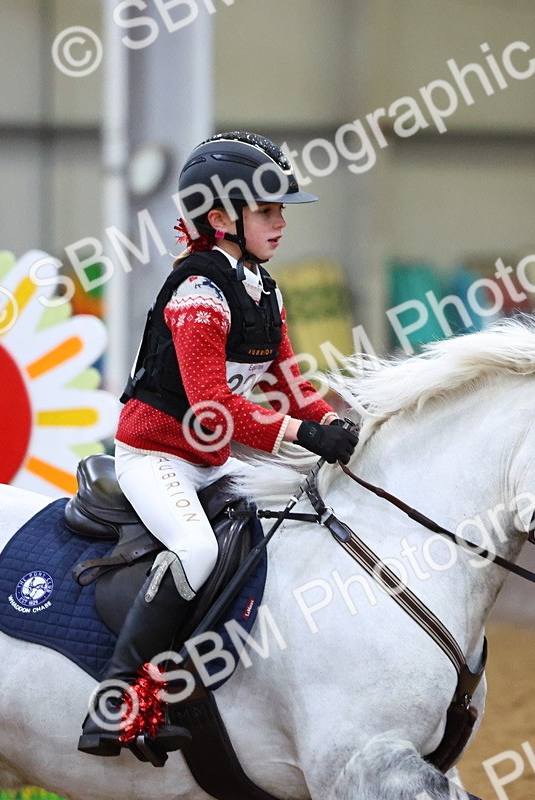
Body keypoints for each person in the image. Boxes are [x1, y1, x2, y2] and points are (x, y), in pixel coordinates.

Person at [78, 131, 358, 763]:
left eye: (281, 209)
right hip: (156, 456)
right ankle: (114, 700)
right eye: (268, 210)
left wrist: (338, 426)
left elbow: (290, 384)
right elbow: (214, 409)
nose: (281, 222)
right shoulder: (198, 294)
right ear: (220, 218)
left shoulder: (264, 289)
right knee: (198, 549)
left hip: (208, 458)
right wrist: (300, 434)